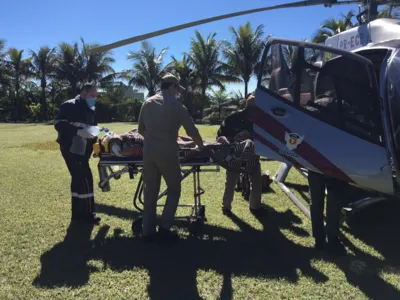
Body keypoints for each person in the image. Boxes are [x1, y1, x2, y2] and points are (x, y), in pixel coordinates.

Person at [138, 73, 204, 242]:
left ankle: (147, 231)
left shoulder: (147, 103)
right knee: (174, 189)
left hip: (148, 153)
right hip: (167, 153)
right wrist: (201, 146)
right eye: (177, 89)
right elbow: (192, 130)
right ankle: (165, 229)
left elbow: (140, 130)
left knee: (150, 192)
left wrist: (154, 138)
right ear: (173, 87)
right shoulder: (177, 106)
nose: (178, 93)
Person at [54, 82, 101, 224]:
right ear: (83, 93)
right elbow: (59, 124)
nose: (94, 98)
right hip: (71, 148)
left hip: (84, 149)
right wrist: (78, 132)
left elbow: (92, 127)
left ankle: (77, 213)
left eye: (95, 96)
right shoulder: (69, 105)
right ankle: (87, 213)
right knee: (85, 178)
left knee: (77, 178)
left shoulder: (90, 107)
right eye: (92, 95)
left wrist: (96, 138)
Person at [216, 94, 268, 216]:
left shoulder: (260, 121)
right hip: (235, 154)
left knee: (256, 180)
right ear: (247, 107)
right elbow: (220, 136)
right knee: (231, 180)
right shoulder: (232, 118)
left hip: (253, 155)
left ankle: (255, 206)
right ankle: (226, 207)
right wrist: (233, 142)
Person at [308, 170, 348, 255]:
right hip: (332, 167)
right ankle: (328, 238)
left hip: (321, 165)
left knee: (318, 202)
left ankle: (323, 237)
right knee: (330, 203)